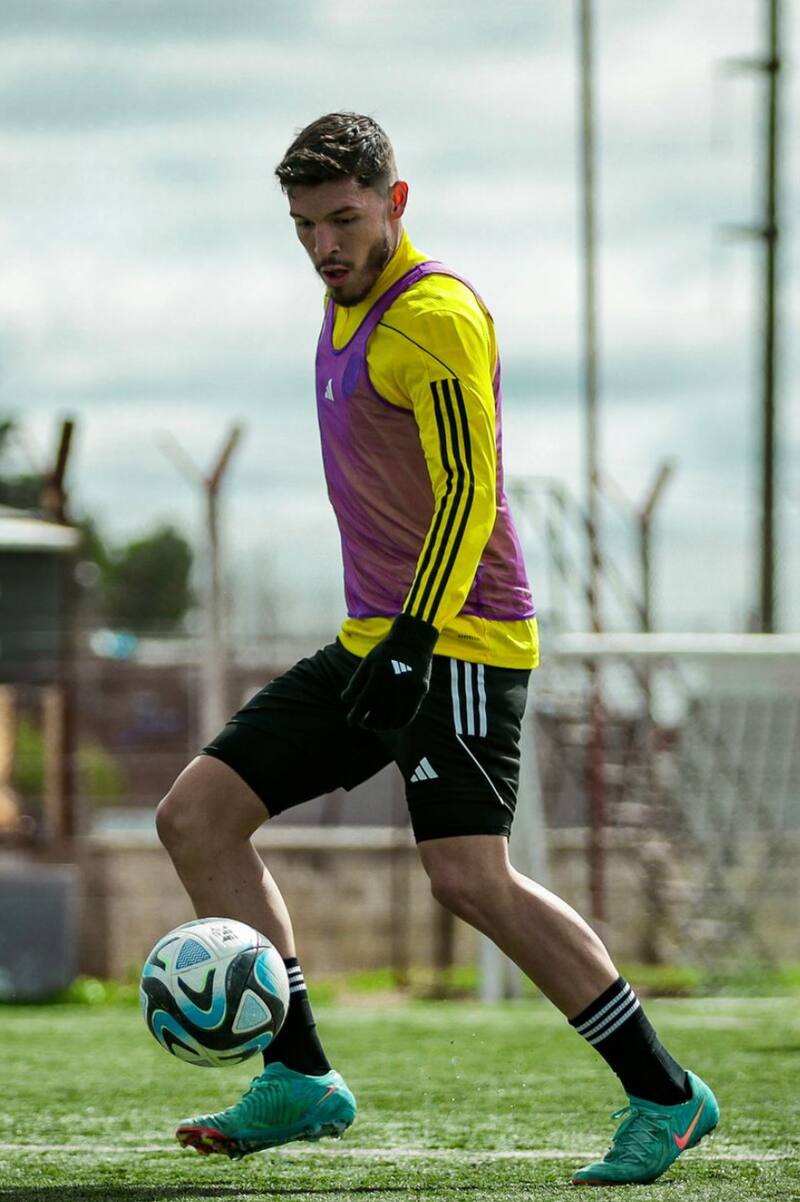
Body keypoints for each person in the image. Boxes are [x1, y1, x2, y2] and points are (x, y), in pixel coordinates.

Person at [156, 112, 718, 1186]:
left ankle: (663, 1091)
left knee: (468, 876)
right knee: (197, 813)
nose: (325, 244)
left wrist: (418, 640)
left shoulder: (435, 316)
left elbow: (470, 491)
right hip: (376, 639)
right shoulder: (339, 311)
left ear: (394, 202)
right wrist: (390, 640)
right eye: (305, 225)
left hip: (458, 639)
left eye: (345, 218)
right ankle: (299, 1074)